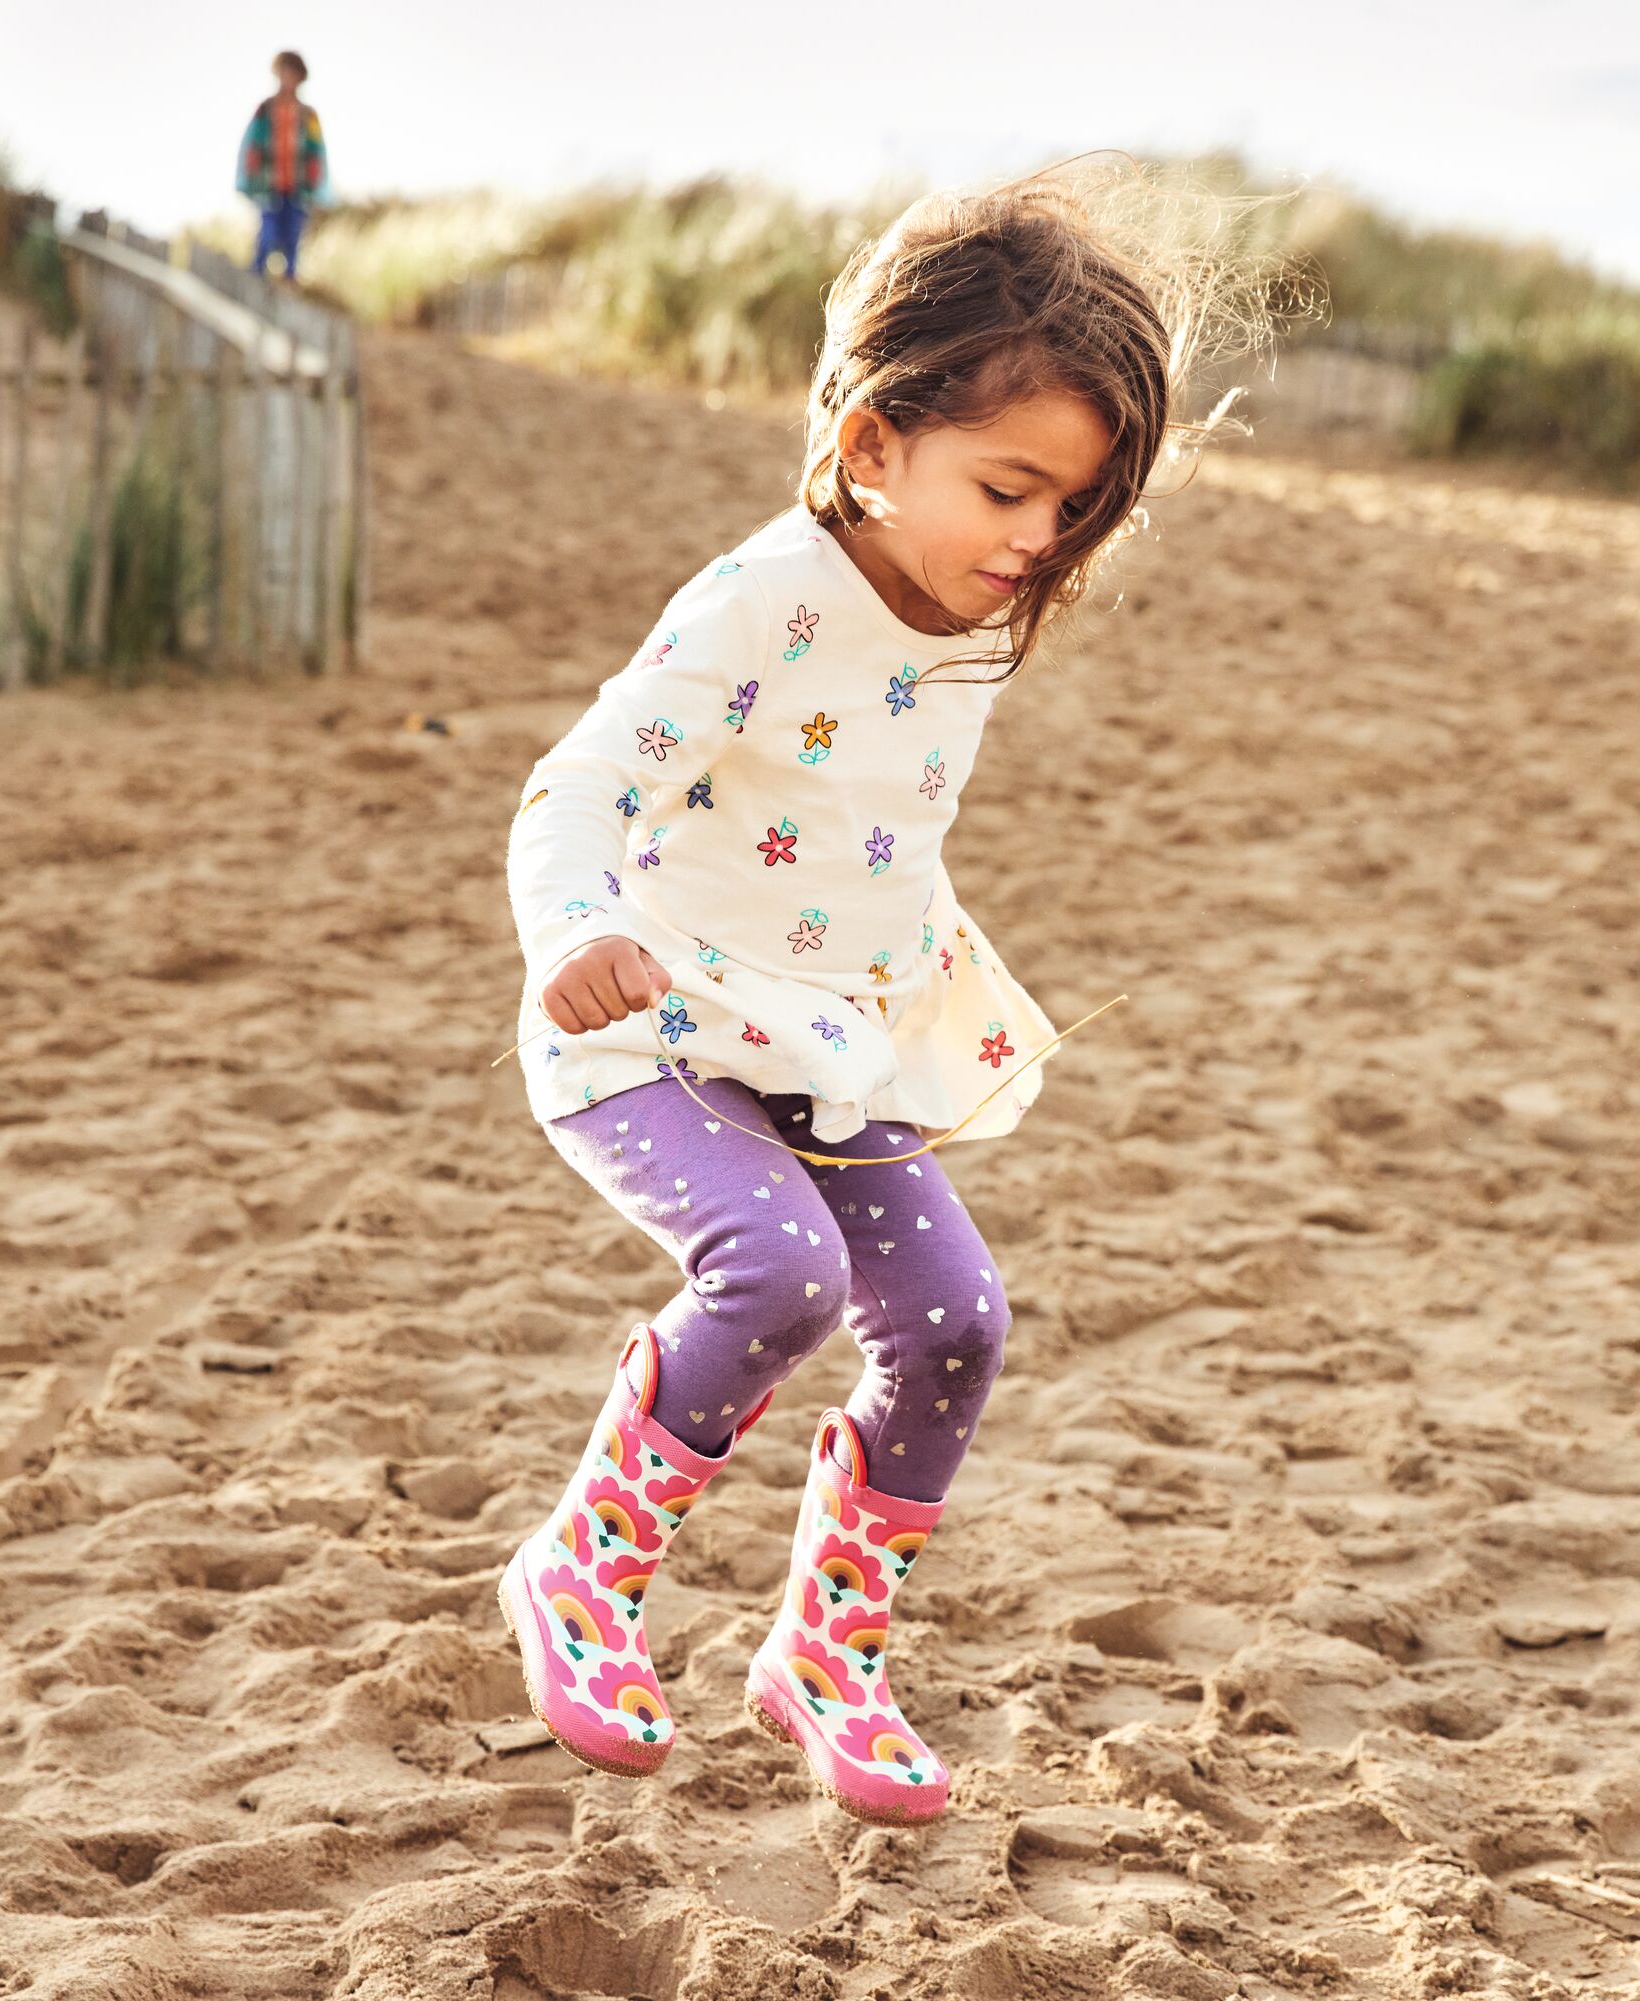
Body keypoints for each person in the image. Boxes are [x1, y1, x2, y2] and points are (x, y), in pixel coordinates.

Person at [495, 167, 1239, 1825]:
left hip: (828, 1044)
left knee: (957, 1321)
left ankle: (825, 1657)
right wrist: (568, 933)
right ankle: (577, 1572)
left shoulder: (971, 609)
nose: (1040, 540)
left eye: (1075, 507)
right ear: (874, 441)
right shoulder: (762, 597)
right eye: (1011, 488)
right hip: (647, 1029)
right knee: (778, 1270)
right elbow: (583, 779)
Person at [236, 50, 326, 281]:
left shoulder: (308, 115)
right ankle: (256, 277)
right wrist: (253, 168)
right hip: (270, 183)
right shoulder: (265, 110)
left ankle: (290, 281)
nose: (287, 79)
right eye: (283, 72)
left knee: (293, 236)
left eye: (292, 73)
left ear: (299, 77)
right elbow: (253, 143)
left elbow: (316, 149)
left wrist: (313, 175)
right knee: (267, 233)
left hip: (298, 186)